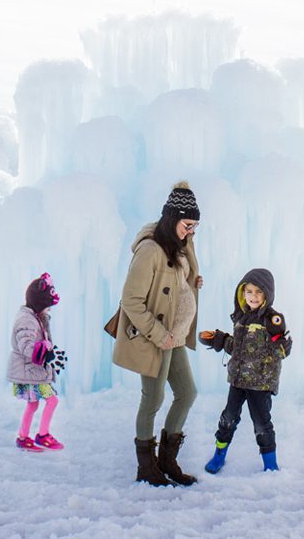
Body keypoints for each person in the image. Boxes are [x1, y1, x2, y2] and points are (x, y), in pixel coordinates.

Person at [112, 181, 204, 486]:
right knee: (153, 398)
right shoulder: (149, 250)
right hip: (156, 337)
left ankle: (167, 460)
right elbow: (132, 300)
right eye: (187, 225)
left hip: (175, 336)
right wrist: (158, 333)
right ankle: (146, 467)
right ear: (172, 218)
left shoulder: (179, 247)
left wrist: (192, 281)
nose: (191, 231)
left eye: (195, 227)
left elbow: (174, 285)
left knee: (187, 393)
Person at [199, 267, 292, 472]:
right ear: (242, 293)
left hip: (260, 383)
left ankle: (270, 464)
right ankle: (219, 455)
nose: (253, 296)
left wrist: (283, 347)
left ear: (267, 294)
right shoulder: (241, 317)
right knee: (228, 418)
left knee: (261, 423)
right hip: (238, 380)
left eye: (259, 292)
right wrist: (219, 340)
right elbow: (239, 348)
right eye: (249, 291)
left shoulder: (273, 319)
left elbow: (279, 348)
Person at [7, 272, 66, 452]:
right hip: (29, 371)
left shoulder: (36, 318)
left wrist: (49, 353)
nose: (50, 309)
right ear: (40, 304)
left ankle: (23, 437)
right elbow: (26, 345)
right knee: (52, 401)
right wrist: (42, 354)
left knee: (33, 404)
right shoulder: (27, 320)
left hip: (32, 370)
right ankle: (42, 435)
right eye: (48, 306)